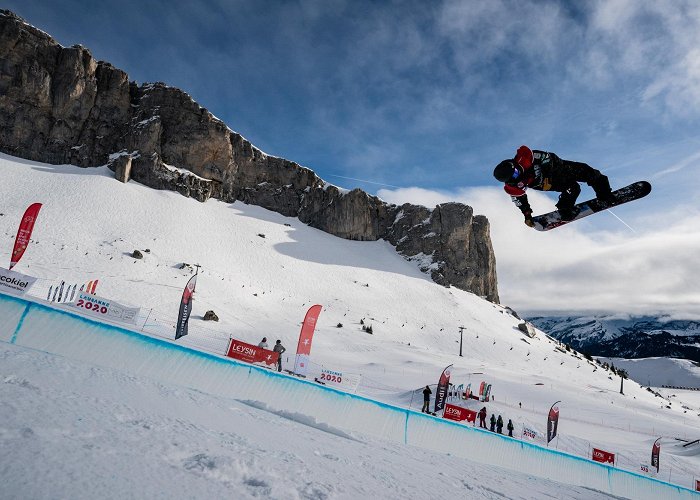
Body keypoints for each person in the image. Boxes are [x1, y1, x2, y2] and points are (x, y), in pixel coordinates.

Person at [493, 145, 614, 224]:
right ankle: (565, 209)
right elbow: (520, 201)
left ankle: (605, 194)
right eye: (513, 176)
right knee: (573, 188)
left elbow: (550, 158)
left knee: (589, 173)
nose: (517, 174)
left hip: (558, 169)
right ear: (508, 181)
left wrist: (549, 174)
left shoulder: (525, 157)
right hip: (547, 184)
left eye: (516, 171)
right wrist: (527, 215)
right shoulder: (513, 187)